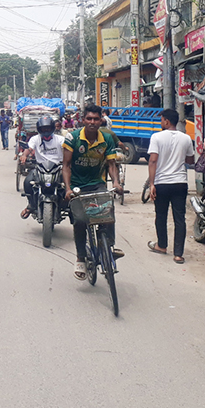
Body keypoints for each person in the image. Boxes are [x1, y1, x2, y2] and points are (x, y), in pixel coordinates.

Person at [62, 104, 125, 281]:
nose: (92, 122)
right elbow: (65, 166)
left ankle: (109, 246)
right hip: (76, 187)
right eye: (89, 118)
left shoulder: (107, 139)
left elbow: (111, 165)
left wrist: (117, 183)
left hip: (97, 184)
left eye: (96, 119)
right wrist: (67, 188)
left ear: (101, 121)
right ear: (83, 120)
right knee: (81, 221)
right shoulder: (72, 138)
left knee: (107, 213)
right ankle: (80, 257)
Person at [147, 109, 196, 264]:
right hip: (180, 183)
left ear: (167, 121)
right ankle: (178, 254)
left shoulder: (156, 137)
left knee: (161, 216)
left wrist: (151, 184)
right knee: (179, 218)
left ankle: (162, 245)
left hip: (162, 183)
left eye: (161, 120)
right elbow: (190, 160)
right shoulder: (186, 138)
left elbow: (153, 161)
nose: (161, 122)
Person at [19, 115, 65, 219]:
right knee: (27, 182)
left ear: (52, 128)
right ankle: (31, 205)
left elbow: (68, 148)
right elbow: (29, 148)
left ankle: (67, 205)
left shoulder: (60, 139)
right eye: (43, 129)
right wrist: (24, 155)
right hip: (40, 168)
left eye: (48, 128)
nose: (46, 131)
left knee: (68, 184)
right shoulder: (35, 139)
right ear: (39, 129)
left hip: (58, 168)